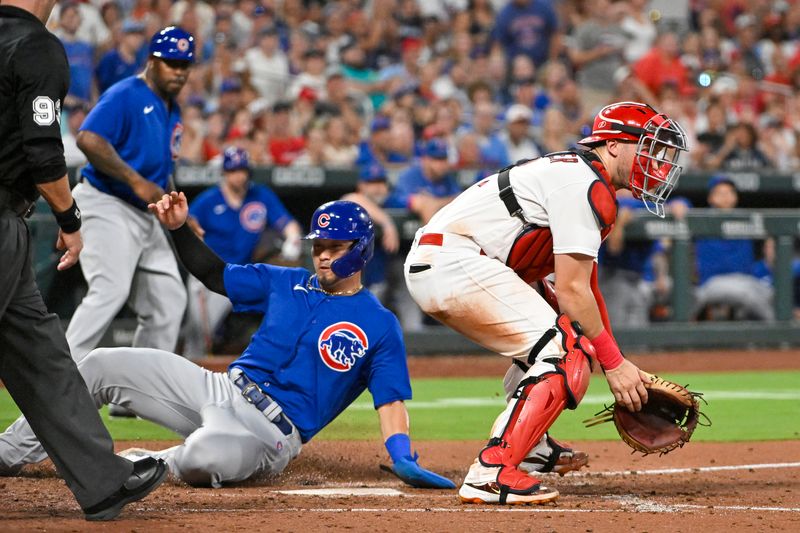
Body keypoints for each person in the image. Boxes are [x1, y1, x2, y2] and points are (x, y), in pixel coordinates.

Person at [0, 197, 455, 492]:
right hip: (220, 388)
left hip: (271, 435)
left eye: (334, 246)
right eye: (319, 245)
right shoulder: (286, 281)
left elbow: (391, 400)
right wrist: (179, 229)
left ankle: (140, 464)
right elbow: (216, 275)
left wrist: (401, 456)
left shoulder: (380, 325)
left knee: (202, 455)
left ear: (360, 248)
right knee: (101, 363)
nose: (322, 253)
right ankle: (7, 453)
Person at [404, 102, 688, 504]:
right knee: (564, 351)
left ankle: (530, 447)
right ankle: (491, 471)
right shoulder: (583, 184)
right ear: (611, 146)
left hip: (457, 261)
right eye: (645, 147)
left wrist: (615, 360)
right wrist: (614, 364)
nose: (655, 162)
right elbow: (572, 291)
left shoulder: (583, 177)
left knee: (576, 341)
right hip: (454, 261)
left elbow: (583, 288)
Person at [0, 0, 166, 520]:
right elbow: (44, 152)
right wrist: (71, 222)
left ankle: (103, 482)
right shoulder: (35, 45)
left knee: (42, 354)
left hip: (9, 220)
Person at [65, 26, 192, 417]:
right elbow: (89, 138)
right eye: (171, 62)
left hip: (146, 214)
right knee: (110, 291)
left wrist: (178, 208)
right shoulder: (126, 94)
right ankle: (58, 383)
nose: (179, 71)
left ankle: (132, 393)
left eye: (185, 64)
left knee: (170, 300)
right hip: (105, 203)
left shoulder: (173, 108)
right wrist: (135, 179)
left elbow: (163, 168)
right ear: (152, 61)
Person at [182, 146, 303, 360]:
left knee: (285, 304)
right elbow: (188, 228)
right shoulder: (209, 200)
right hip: (207, 273)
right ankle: (189, 370)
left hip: (239, 274)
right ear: (224, 173)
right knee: (200, 332)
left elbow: (288, 224)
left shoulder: (260, 195)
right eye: (233, 171)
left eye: (242, 170)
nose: (239, 176)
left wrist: (293, 240)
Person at [693, 176, 774, 321]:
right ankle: (778, 334)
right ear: (711, 198)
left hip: (745, 280)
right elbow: (679, 204)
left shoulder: (745, 218)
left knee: (772, 294)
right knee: (749, 295)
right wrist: (678, 203)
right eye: (721, 193)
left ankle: (761, 338)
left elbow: (772, 231)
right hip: (713, 282)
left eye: (730, 192)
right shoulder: (702, 219)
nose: (726, 197)